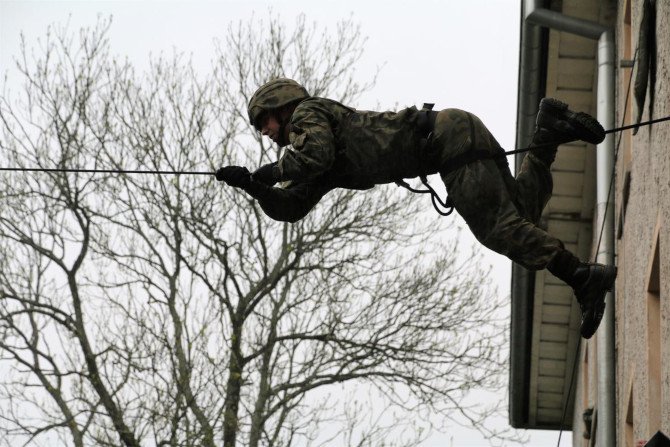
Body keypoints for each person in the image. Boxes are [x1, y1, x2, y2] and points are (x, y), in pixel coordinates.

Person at [216, 78, 616, 339]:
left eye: (263, 121)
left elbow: (314, 155)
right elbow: (292, 206)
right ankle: (548, 131)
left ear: (282, 107)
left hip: (444, 141)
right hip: (450, 132)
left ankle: (582, 276)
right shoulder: (312, 155)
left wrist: (267, 172)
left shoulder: (308, 115)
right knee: (520, 216)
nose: (264, 132)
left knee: (499, 229)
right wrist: (252, 186)